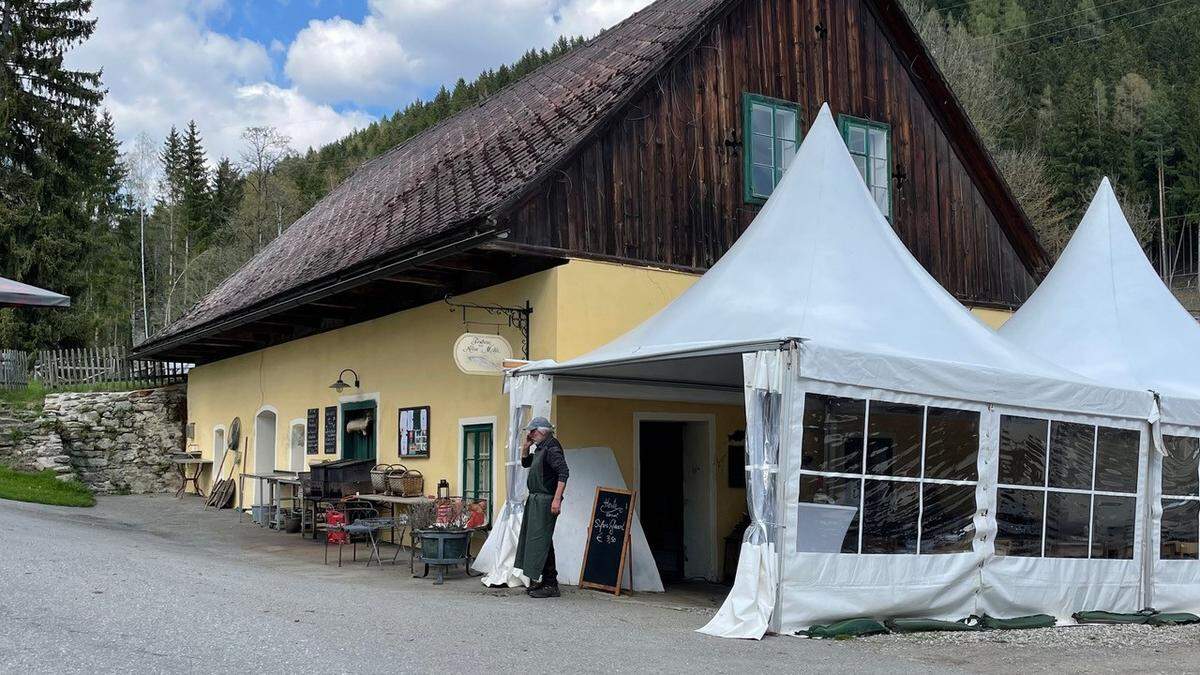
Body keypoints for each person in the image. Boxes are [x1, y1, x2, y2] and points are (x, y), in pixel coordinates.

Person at [513, 416, 569, 598]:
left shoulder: (552, 448)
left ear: (542, 431)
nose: (530, 434)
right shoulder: (541, 447)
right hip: (536, 500)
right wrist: (525, 447)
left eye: (533, 431)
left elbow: (563, 472)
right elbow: (526, 463)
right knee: (540, 541)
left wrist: (557, 499)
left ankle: (551, 584)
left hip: (546, 500)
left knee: (542, 541)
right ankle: (546, 581)